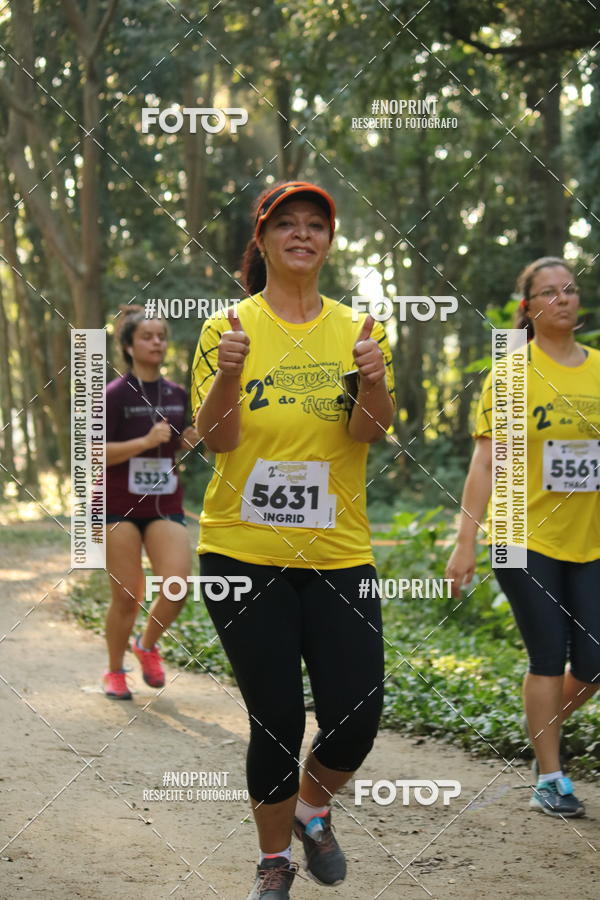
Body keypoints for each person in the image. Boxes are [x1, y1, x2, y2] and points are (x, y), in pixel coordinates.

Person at [191, 181, 396, 898]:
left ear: (329, 242)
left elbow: (371, 430)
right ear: (264, 239)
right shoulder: (227, 329)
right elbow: (216, 441)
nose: (302, 234)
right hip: (242, 552)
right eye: (287, 225)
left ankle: (313, 808)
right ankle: (273, 860)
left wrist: (372, 383)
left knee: (358, 711)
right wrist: (230, 375)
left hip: (340, 551)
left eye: (316, 225)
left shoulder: (360, 330)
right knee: (275, 717)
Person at [446, 256, 600, 817]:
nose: (564, 299)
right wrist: (466, 542)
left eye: (571, 290)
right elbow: (484, 463)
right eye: (550, 292)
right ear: (529, 307)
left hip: (590, 539)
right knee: (547, 654)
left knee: (593, 661)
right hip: (519, 535)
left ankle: (543, 732)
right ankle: (551, 777)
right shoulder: (512, 371)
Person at [103, 305, 198, 699]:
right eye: (147, 336)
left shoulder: (177, 394)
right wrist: (144, 442)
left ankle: (145, 646)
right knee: (127, 595)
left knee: (177, 586)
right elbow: (93, 452)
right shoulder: (114, 394)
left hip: (163, 504)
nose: (157, 342)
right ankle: (114, 671)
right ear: (128, 346)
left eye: (161, 336)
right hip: (118, 506)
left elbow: (184, 442)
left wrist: (192, 440)